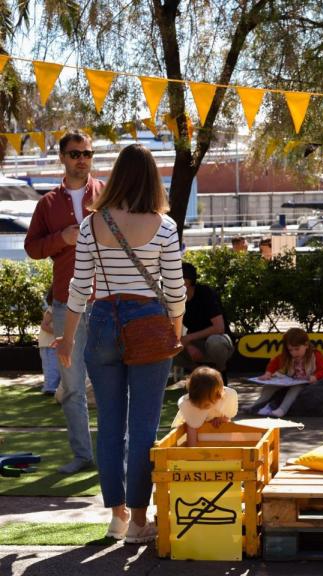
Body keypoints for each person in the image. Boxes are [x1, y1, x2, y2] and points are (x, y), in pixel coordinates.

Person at [56, 143, 187, 544]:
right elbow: (175, 289)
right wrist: (177, 330)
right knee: (143, 426)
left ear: (116, 177)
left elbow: (79, 287)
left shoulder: (92, 225)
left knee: (109, 425)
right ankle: (139, 522)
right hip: (148, 324)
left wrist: (67, 337)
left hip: (100, 325)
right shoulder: (164, 227)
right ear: (152, 178)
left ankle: (116, 515)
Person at [24, 130, 103, 474]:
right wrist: (62, 238)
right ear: (62, 157)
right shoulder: (48, 204)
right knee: (71, 386)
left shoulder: (106, 193)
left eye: (87, 153)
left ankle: (122, 453)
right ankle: (83, 456)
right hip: (65, 301)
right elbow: (32, 248)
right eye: (75, 154)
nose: (82, 159)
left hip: (107, 300)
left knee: (114, 379)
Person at [252, 327, 323, 418]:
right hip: (291, 380)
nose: (294, 353)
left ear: (306, 345)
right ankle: (256, 405)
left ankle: (282, 410)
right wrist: (268, 373)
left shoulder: (315, 355)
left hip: (305, 382)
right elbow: (275, 362)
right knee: (269, 386)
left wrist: (315, 376)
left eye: (297, 349)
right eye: (290, 350)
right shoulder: (288, 356)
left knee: (294, 389)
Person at [176, 262, 234, 375]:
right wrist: (188, 345)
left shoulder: (205, 293)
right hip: (196, 343)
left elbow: (219, 327)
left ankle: (220, 370)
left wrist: (188, 338)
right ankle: (198, 374)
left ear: (187, 281)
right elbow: (172, 329)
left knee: (215, 342)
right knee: (169, 346)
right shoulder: (175, 299)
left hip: (219, 340)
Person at [172, 366, 237, 447]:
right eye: (202, 404)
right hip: (198, 431)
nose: (204, 407)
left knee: (224, 434)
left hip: (215, 435)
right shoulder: (190, 405)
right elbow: (192, 428)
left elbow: (228, 417)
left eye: (207, 404)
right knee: (188, 435)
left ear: (218, 396)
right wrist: (193, 453)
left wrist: (221, 419)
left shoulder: (225, 397)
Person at [38, 290, 60, 395]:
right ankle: (49, 388)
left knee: (55, 366)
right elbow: (44, 325)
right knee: (51, 366)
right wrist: (58, 333)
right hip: (47, 344)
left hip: (53, 343)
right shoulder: (51, 310)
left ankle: (53, 387)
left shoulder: (59, 310)